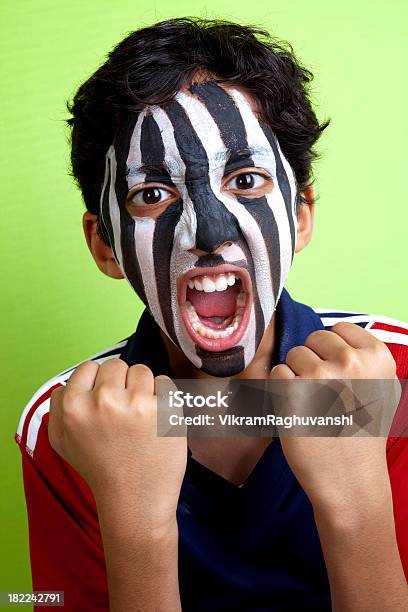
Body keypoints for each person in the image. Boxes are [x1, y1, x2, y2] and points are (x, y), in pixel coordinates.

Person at [16, 17, 408, 612]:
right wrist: (136, 526)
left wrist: (356, 501)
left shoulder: (395, 382)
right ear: (104, 245)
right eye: (152, 195)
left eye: (246, 181)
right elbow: (38, 598)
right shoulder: (65, 425)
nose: (209, 232)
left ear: (300, 215)